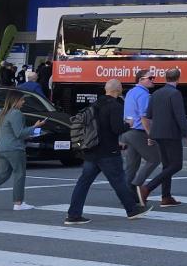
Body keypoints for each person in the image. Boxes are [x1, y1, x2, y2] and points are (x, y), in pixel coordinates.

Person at [64, 80, 151, 225]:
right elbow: (117, 129)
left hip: (92, 150)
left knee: (83, 183)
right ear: (118, 89)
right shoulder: (115, 106)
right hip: (108, 152)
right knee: (119, 181)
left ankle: (73, 214)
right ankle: (132, 210)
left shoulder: (95, 104)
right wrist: (128, 124)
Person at [136, 68, 187, 207]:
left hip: (157, 133)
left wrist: (151, 134)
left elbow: (149, 115)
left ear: (166, 78)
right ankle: (147, 188)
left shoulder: (156, 93)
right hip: (171, 134)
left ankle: (166, 197)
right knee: (176, 165)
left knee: (167, 165)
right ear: (178, 79)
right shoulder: (175, 93)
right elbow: (180, 115)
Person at [120, 69, 163, 188]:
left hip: (128, 132)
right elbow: (144, 118)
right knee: (154, 159)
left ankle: (125, 192)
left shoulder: (131, 92)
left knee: (131, 166)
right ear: (141, 80)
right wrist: (150, 135)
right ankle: (136, 186)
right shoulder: (144, 95)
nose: (153, 80)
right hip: (139, 133)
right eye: (150, 78)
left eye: (153, 78)